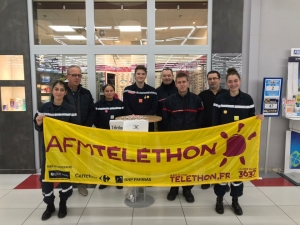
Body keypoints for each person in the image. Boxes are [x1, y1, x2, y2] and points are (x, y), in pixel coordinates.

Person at [212, 67, 264, 215]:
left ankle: (235, 200)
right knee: (222, 173)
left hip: (241, 145)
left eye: (235, 81)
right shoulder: (220, 99)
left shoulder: (247, 99)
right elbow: (215, 121)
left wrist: (258, 119)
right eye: (230, 81)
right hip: (224, 144)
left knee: (237, 174)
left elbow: (251, 119)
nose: (233, 84)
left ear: (240, 82)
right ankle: (219, 199)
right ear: (226, 83)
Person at [34, 80, 79, 220]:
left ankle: (63, 203)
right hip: (49, 151)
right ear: (52, 91)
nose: (59, 92)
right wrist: (39, 122)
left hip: (65, 152)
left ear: (65, 92)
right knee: (46, 179)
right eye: (56, 89)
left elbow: (76, 130)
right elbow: (37, 127)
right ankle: (49, 205)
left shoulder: (71, 109)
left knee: (64, 177)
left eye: (61, 90)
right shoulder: (44, 108)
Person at [163, 72, 204, 203]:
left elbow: (200, 118)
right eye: (179, 82)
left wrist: (194, 133)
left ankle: (187, 189)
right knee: (174, 164)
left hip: (191, 139)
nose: (182, 84)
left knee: (189, 165)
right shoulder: (169, 101)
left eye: (184, 82)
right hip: (174, 139)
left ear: (188, 83)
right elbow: (165, 120)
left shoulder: (196, 99)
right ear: (176, 84)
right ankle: (173, 188)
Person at [64, 65, 96, 196]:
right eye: (74, 75)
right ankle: (67, 184)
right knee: (67, 158)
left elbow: (91, 111)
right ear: (67, 76)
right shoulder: (61, 91)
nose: (77, 78)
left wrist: (85, 127)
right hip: (66, 132)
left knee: (82, 158)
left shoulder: (85, 93)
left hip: (82, 131)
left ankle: (81, 183)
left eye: (79, 75)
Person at [198, 71, 227, 190]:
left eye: (215, 78)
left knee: (222, 156)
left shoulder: (226, 94)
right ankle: (207, 178)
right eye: (210, 79)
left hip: (224, 131)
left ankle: (222, 180)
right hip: (207, 130)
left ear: (220, 79)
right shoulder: (202, 95)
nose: (212, 81)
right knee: (207, 156)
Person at [94, 84, 124, 190]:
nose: (109, 92)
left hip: (117, 136)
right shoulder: (98, 105)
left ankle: (119, 180)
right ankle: (105, 180)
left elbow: (123, 118)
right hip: (103, 135)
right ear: (103, 92)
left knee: (118, 158)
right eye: (107, 91)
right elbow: (95, 119)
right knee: (104, 158)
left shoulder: (120, 104)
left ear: (114, 91)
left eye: (111, 90)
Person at [123, 65, 158, 131]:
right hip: (132, 123)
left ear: (146, 76)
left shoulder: (152, 91)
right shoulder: (127, 90)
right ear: (135, 75)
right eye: (138, 74)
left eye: (143, 74)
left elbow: (154, 107)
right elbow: (126, 106)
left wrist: (143, 118)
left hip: (148, 123)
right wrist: (133, 117)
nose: (140, 76)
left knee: (147, 141)